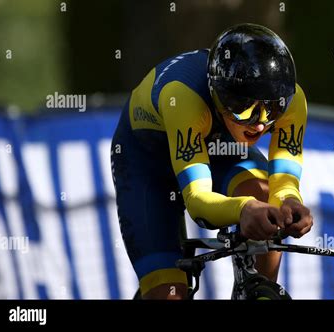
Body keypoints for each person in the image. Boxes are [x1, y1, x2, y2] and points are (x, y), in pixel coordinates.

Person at [111, 23, 313, 299]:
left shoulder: (292, 100)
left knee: (265, 199)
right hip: (148, 166)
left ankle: (258, 291)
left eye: (273, 107)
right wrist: (243, 209)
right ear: (218, 93)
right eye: (245, 108)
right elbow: (198, 202)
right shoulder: (182, 96)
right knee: (169, 293)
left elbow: (284, 184)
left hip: (220, 150)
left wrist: (289, 201)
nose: (260, 122)